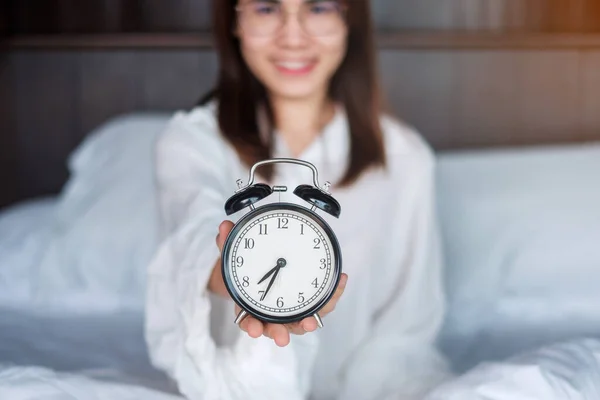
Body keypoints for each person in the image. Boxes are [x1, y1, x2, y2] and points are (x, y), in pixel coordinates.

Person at [144, 0, 452, 399]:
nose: (293, 36)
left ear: (349, 22)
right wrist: (234, 278)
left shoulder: (405, 159)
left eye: (319, 8)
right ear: (234, 22)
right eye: (267, 8)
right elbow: (195, 233)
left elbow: (406, 328)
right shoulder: (191, 142)